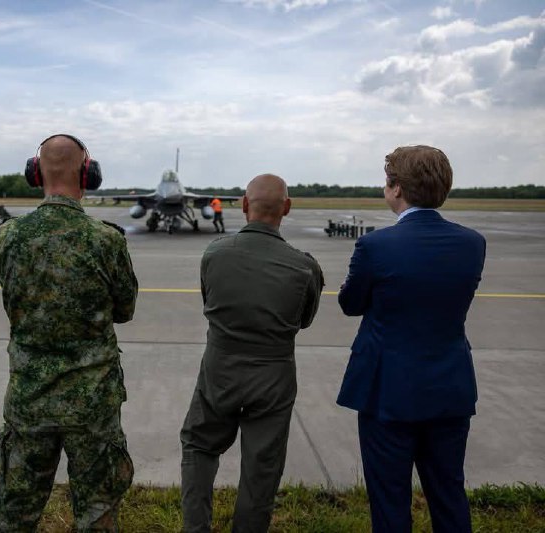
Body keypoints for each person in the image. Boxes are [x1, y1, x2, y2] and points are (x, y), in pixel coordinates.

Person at [0, 134, 138, 531]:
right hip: (92, 404)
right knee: (97, 514)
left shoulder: (8, 236)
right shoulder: (106, 239)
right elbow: (125, 311)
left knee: (15, 515)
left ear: (35, 173)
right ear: (88, 174)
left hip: (28, 399)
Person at [337, 145, 486, 532]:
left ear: (397, 188)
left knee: (390, 500)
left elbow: (351, 304)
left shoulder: (375, 245)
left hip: (388, 391)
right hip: (450, 386)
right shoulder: (473, 243)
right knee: (449, 494)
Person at [180, 174, 324, 532]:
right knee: (263, 465)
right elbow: (304, 320)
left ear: (244, 205)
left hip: (220, 369)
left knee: (199, 446)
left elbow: (209, 301)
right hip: (273, 376)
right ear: (286, 208)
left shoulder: (214, 254)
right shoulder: (304, 267)